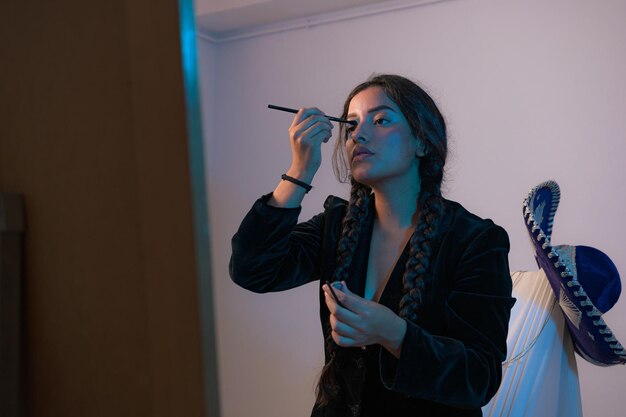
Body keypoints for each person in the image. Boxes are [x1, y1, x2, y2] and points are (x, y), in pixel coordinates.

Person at [230, 74, 515, 417]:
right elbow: (252, 269)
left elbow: (478, 378)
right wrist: (299, 172)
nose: (358, 134)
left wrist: (394, 334)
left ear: (422, 142)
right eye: (350, 125)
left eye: (381, 120)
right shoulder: (336, 226)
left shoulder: (474, 239)